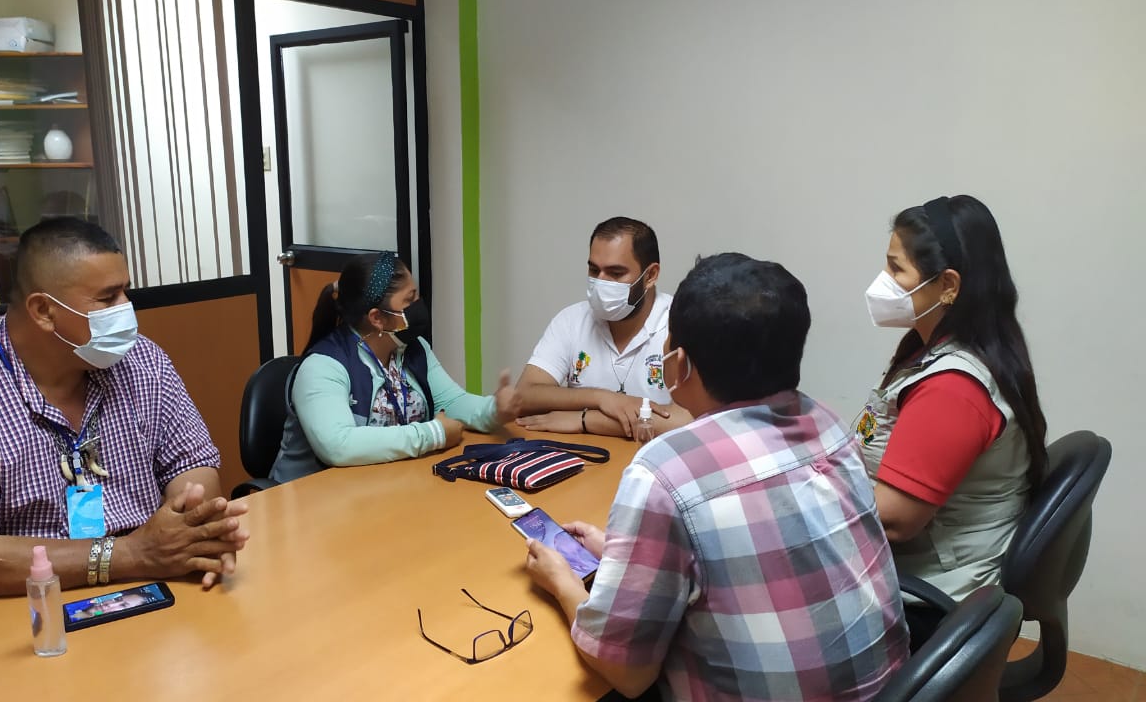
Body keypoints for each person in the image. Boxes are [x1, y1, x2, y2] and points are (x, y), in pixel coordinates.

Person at [526, 253, 908, 702]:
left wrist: (562, 581)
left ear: (679, 363)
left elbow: (625, 672)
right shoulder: (830, 426)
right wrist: (623, 554)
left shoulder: (664, 472)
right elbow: (762, 555)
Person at [0, 217, 248, 603]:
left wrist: (194, 532)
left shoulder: (142, 361)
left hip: (148, 586)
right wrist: (130, 555)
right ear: (43, 310)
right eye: (107, 298)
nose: (126, 309)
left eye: (126, 291)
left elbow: (193, 465)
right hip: (14, 605)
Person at [856, 195, 1047, 642]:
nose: (883, 282)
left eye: (896, 269)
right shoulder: (939, 350)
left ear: (947, 285)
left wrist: (808, 496)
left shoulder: (953, 390)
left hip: (930, 603)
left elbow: (895, 519)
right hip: (932, 578)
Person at [271, 251, 520, 482]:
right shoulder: (323, 366)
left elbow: (451, 402)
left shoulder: (413, 348)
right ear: (377, 318)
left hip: (382, 487)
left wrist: (494, 410)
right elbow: (338, 445)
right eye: (409, 300)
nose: (418, 305)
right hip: (312, 499)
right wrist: (432, 434)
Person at [515, 217, 690, 440]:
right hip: (587, 457)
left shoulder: (681, 322)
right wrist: (602, 399)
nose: (601, 283)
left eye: (616, 273)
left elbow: (691, 419)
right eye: (594, 270)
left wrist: (585, 420)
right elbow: (523, 396)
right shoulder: (571, 320)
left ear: (650, 275)